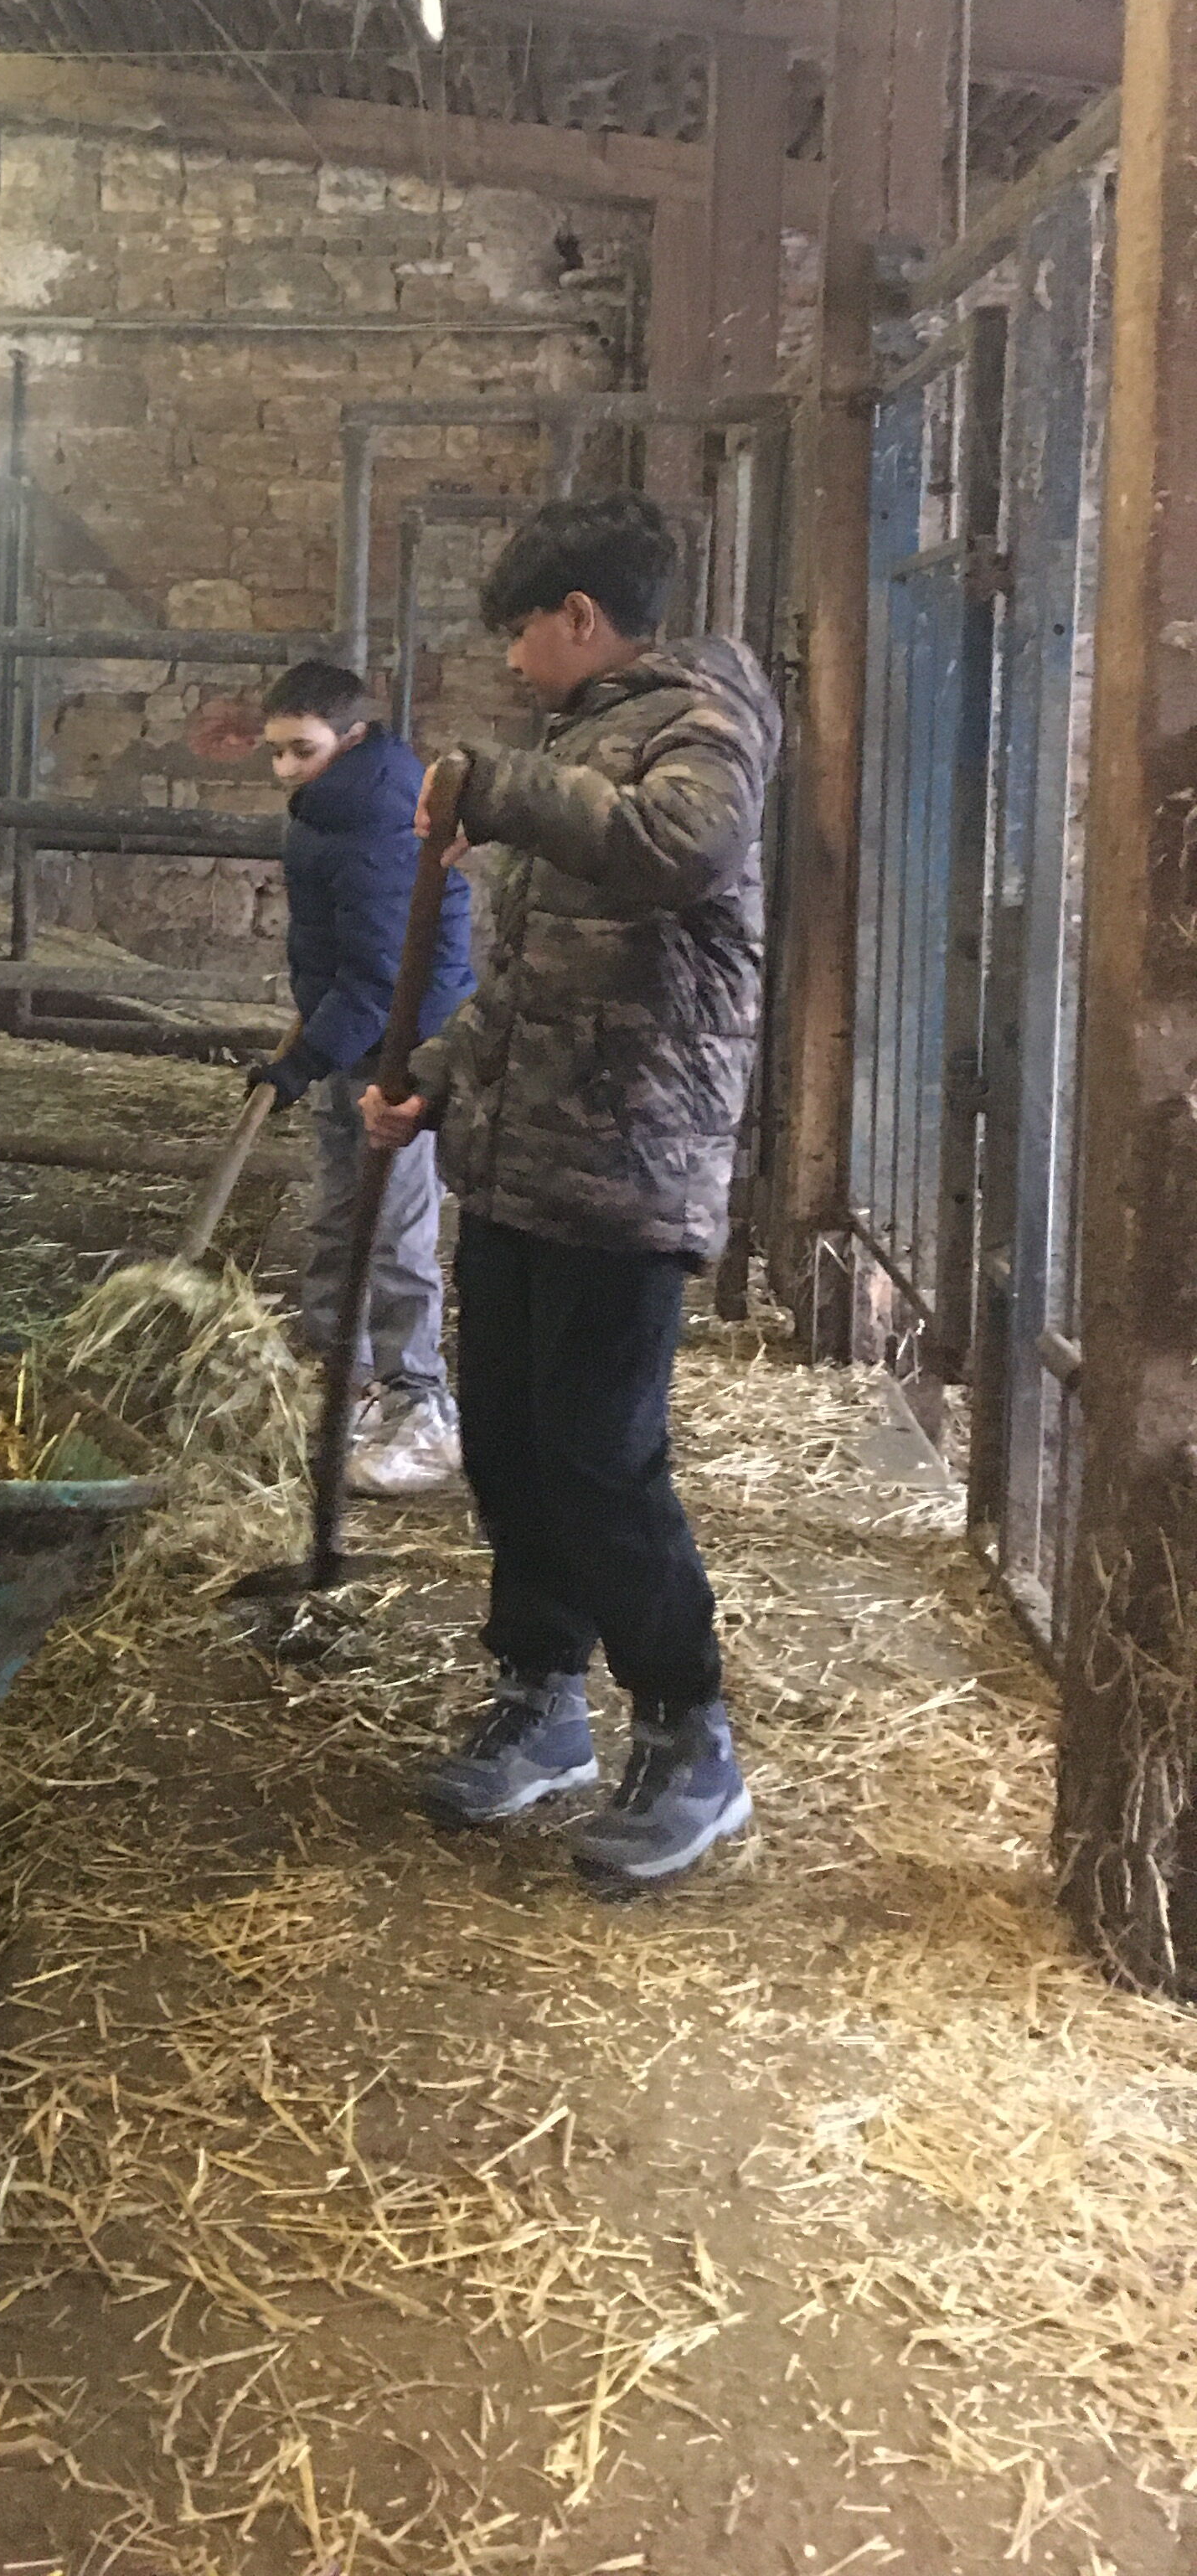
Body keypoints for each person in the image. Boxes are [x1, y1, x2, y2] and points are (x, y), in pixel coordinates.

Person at [362, 492, 779, 1887]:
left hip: (628, 1163)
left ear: (579, 618)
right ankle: (540, 1699)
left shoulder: (704, 722)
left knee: (601, 1456)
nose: (510, 657)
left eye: (519, 630)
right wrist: (432, 1074)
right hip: (520, 1159)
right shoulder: (572, 746)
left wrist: (495, 786)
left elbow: (682, 847)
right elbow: (531, 981)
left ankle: (688, 1733)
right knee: (510, 1444)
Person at [253, 658, 473, 1492]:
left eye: (300, 750)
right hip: (350, 1041)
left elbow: (386, 973)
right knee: (340, 1217)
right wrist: (312, 1052)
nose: (285, 769)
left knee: (397, 1231)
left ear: (349, 738)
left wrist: (302, 1061)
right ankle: (346, 1385)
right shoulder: (329, 807)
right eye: (275, 751)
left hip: (404, 1050)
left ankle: (421, 1408)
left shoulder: (381, 814)